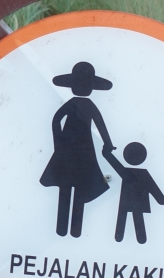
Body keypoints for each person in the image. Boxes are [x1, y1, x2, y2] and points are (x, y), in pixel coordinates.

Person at [41, 61, 116, 236]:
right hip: (77, 151)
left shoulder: (81, 104)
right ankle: (66, 230)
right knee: (70, 187)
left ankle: (70, 230)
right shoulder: (78, 104)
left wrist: (59, 143)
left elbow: (99, 124)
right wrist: (58, 143)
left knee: (73, 187)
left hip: (78, 151)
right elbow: (57, 120)